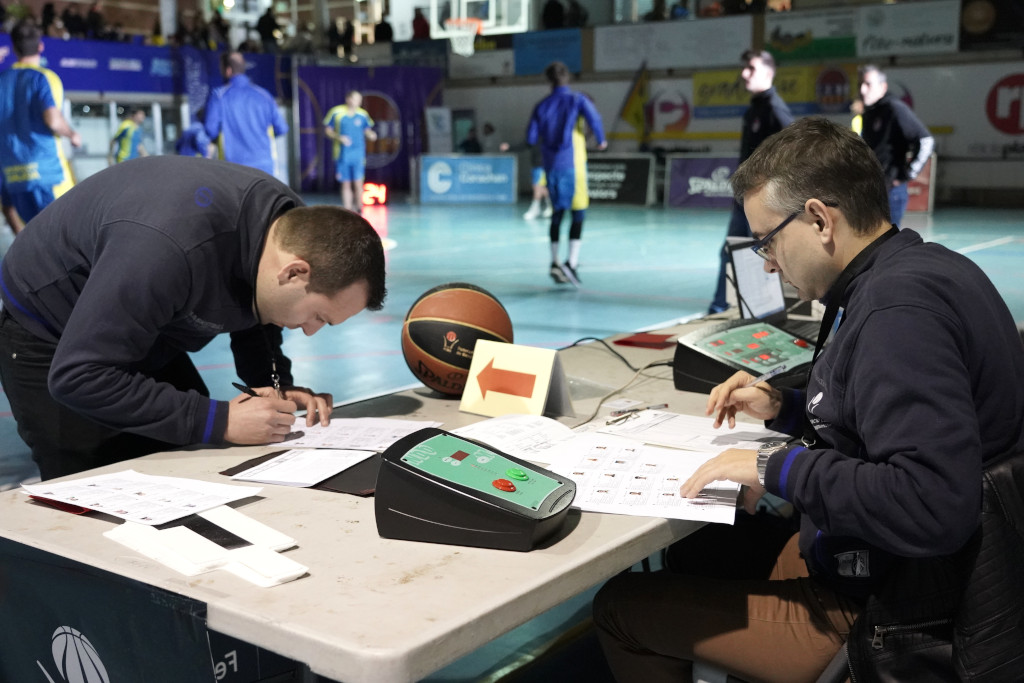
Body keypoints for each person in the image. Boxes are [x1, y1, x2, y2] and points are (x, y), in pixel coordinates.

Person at [594, 117, 1024, 682]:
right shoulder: (922, 269)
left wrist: (776, 466)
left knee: (619, 607)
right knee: (698, 553)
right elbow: (888, 416)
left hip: (892, 605)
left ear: (820, 219)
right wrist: (786, 407)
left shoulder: (896, 313)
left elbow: (932, 502)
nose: (768, 262)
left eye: (768, 240)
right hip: (908, 567)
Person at [0, 155, 387, 482]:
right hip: (53, 332)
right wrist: (220, 420)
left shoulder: (287, 229)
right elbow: (78, 376)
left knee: (192, 471)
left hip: (146, 319)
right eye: (318, 316)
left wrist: (275, 387)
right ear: (294, 272)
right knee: (95, 496)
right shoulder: (165, 251)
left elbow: (258, 304)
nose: (311, 331)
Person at [708, 49, 793, 313]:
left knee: (760, 256)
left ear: (768, 73)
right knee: (730, 252)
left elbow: (794, 154)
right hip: (743, 199)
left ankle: (762, 311)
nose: (744, 73)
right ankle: (719, 309)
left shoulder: (775, 111)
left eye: (752, 69)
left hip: (761, 202)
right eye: (744, 68)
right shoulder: (753, 109)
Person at [527, 61, 607, 287]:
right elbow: (595, 119)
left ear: (548, 81)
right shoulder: (577, 101)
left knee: (557, 214)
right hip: (572, 165)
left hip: (551, 165)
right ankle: (571, 263)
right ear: (568, 78)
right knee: (578, 213)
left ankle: (554, 262)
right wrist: (601, 140)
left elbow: (531, 138)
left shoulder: (541, 105)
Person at [0, 19, 81, 234]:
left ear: (14, 48)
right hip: (48, 174)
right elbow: (53, 120)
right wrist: (72, 134)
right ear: (41, 46)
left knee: (38, 239)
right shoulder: (44, 77)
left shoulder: (2, 80)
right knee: (69, 239)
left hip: (14, 178)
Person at [858, 64, 934, 227]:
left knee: (886, 240)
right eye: (860, 85)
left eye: (868, 84)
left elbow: (926, 140)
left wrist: (906, 175)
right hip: (871, 191)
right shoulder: (869, 113)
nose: (863, 90)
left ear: (883, 87)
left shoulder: (895, 108)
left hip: (891, 192)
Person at [204, 51, 289, 178]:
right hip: (264, 168)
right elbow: (282, 128)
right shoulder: (264, 95)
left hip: (234, 168)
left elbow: (211, 130)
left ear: (228, 70)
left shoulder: (219, 96)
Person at [323, 90, 377, 214]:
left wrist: (371, 134)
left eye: (359, 100)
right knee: (346, 183)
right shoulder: (336, 112)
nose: (358, 102)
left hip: (358, 154)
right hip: (342, 154)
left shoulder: (363, 114)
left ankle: (360, 209)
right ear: (348, 99)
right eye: (355, 99)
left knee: (358, 183)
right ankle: (348, 210)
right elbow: (328, 130)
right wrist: (339, 137)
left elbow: (367, 129)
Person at [522, 145, 552, 220]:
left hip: (542, 165)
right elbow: (525, 144)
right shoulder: (533, 139)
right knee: (542, 188)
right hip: (536, 165)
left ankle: (536, 209)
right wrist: (509, 147)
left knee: (538, 187)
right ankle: (551, 207)